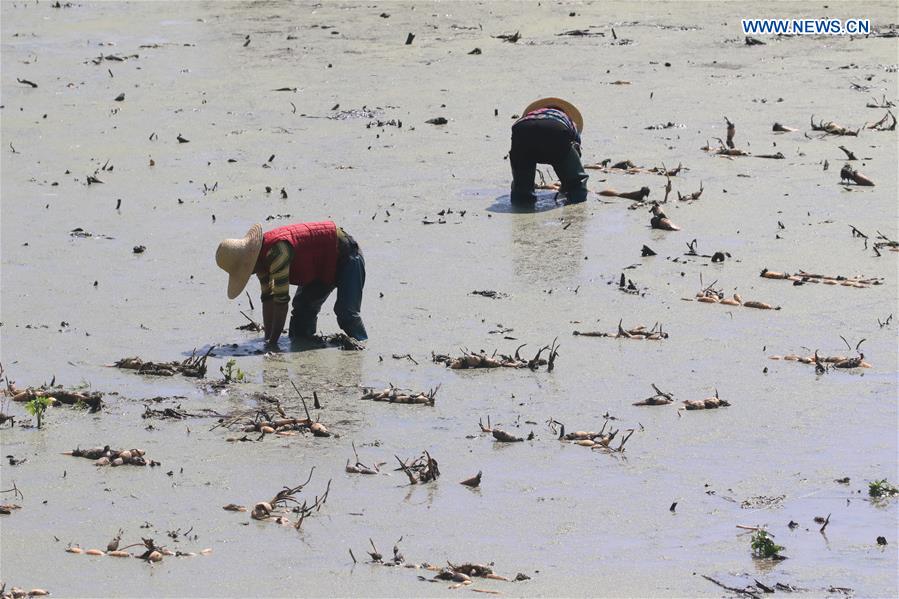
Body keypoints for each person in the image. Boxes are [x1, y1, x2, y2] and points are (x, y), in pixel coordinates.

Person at [216, 221, 367, 346]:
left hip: (347, 256)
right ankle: (308, 352)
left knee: (346, 313)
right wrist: (267, 338)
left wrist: (273, 343)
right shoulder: (261, 263)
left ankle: (364, 347)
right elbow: (268, 299)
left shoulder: (277, 252)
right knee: (302, 313)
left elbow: (281, 303)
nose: (250, 274)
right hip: (320, 265)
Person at [509, 97, 589, 206]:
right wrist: (568, 181)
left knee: (522, 187)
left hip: (521, 129)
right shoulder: (567, 119)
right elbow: (575, 147)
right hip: (555, 129)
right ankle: (576, 199)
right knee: (576, 185)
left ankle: (522, 202)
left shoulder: (532, 114)